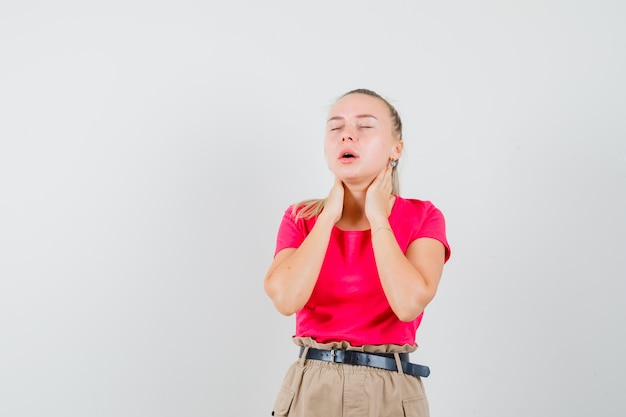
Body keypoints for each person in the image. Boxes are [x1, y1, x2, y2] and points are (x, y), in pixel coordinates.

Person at [264, 89, 451, 417]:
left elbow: (408, 304)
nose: (347, 134)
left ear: (396, 149)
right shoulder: (302, 218)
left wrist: (378, 216)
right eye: (335, 128)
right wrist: (327, 218)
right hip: (312, 386)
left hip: (390, 390)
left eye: (365, 126)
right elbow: (286, 299)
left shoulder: (423, 216)